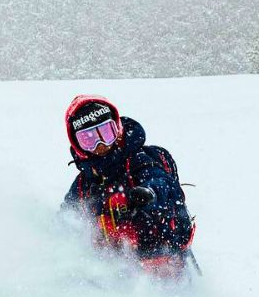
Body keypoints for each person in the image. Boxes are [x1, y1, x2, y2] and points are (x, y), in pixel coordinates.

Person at [61, 94, 195, 272]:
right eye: (89, 139)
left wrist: (149, 193)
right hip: (112, 272)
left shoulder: (140, 160)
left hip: (164, 262)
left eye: (106, 133)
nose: (100, 144)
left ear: (117, 129)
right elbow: (66, 217)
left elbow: (163, 182)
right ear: (78, 145)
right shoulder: (83, 184)